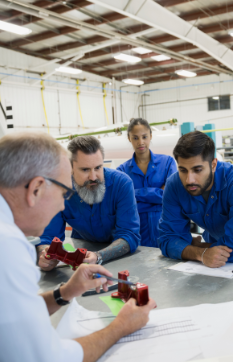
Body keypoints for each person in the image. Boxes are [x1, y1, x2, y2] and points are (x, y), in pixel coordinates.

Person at [0, 133, 156, 362]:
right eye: (64, 193)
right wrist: (121, 327)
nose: (64, 204)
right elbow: (50, 358)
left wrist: (63, 293)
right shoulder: (9, 248)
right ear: (36, 189)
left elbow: (19, 313)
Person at [158, 131, 233, 267]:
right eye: (183, 170)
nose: (189, 180)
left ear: (213, 165)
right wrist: (202, 253)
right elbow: (168, 240)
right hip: (216, 248)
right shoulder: (174, 185)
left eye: (197, 170)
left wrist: (195, 248)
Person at [37, 136, 140, 271]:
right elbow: (48, 237)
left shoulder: (121, 184)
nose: (93, 177)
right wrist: (46, 254)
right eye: (85, 170)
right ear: (70, 168)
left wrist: (98, 256)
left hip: (121, 260)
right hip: (80, 260)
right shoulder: (60, 189)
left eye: (98, 168)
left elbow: (129, 234)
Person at [116, 118, 177, 247]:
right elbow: (121, 203)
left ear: (150, 136)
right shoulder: (122, 170)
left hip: (165, 228)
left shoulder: (167, 163)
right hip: (137, 233)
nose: (141, 142)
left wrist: (134, 195)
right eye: (135, 138)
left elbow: (169, 196)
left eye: (144, 137)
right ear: (129, 138)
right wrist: (156, 196)